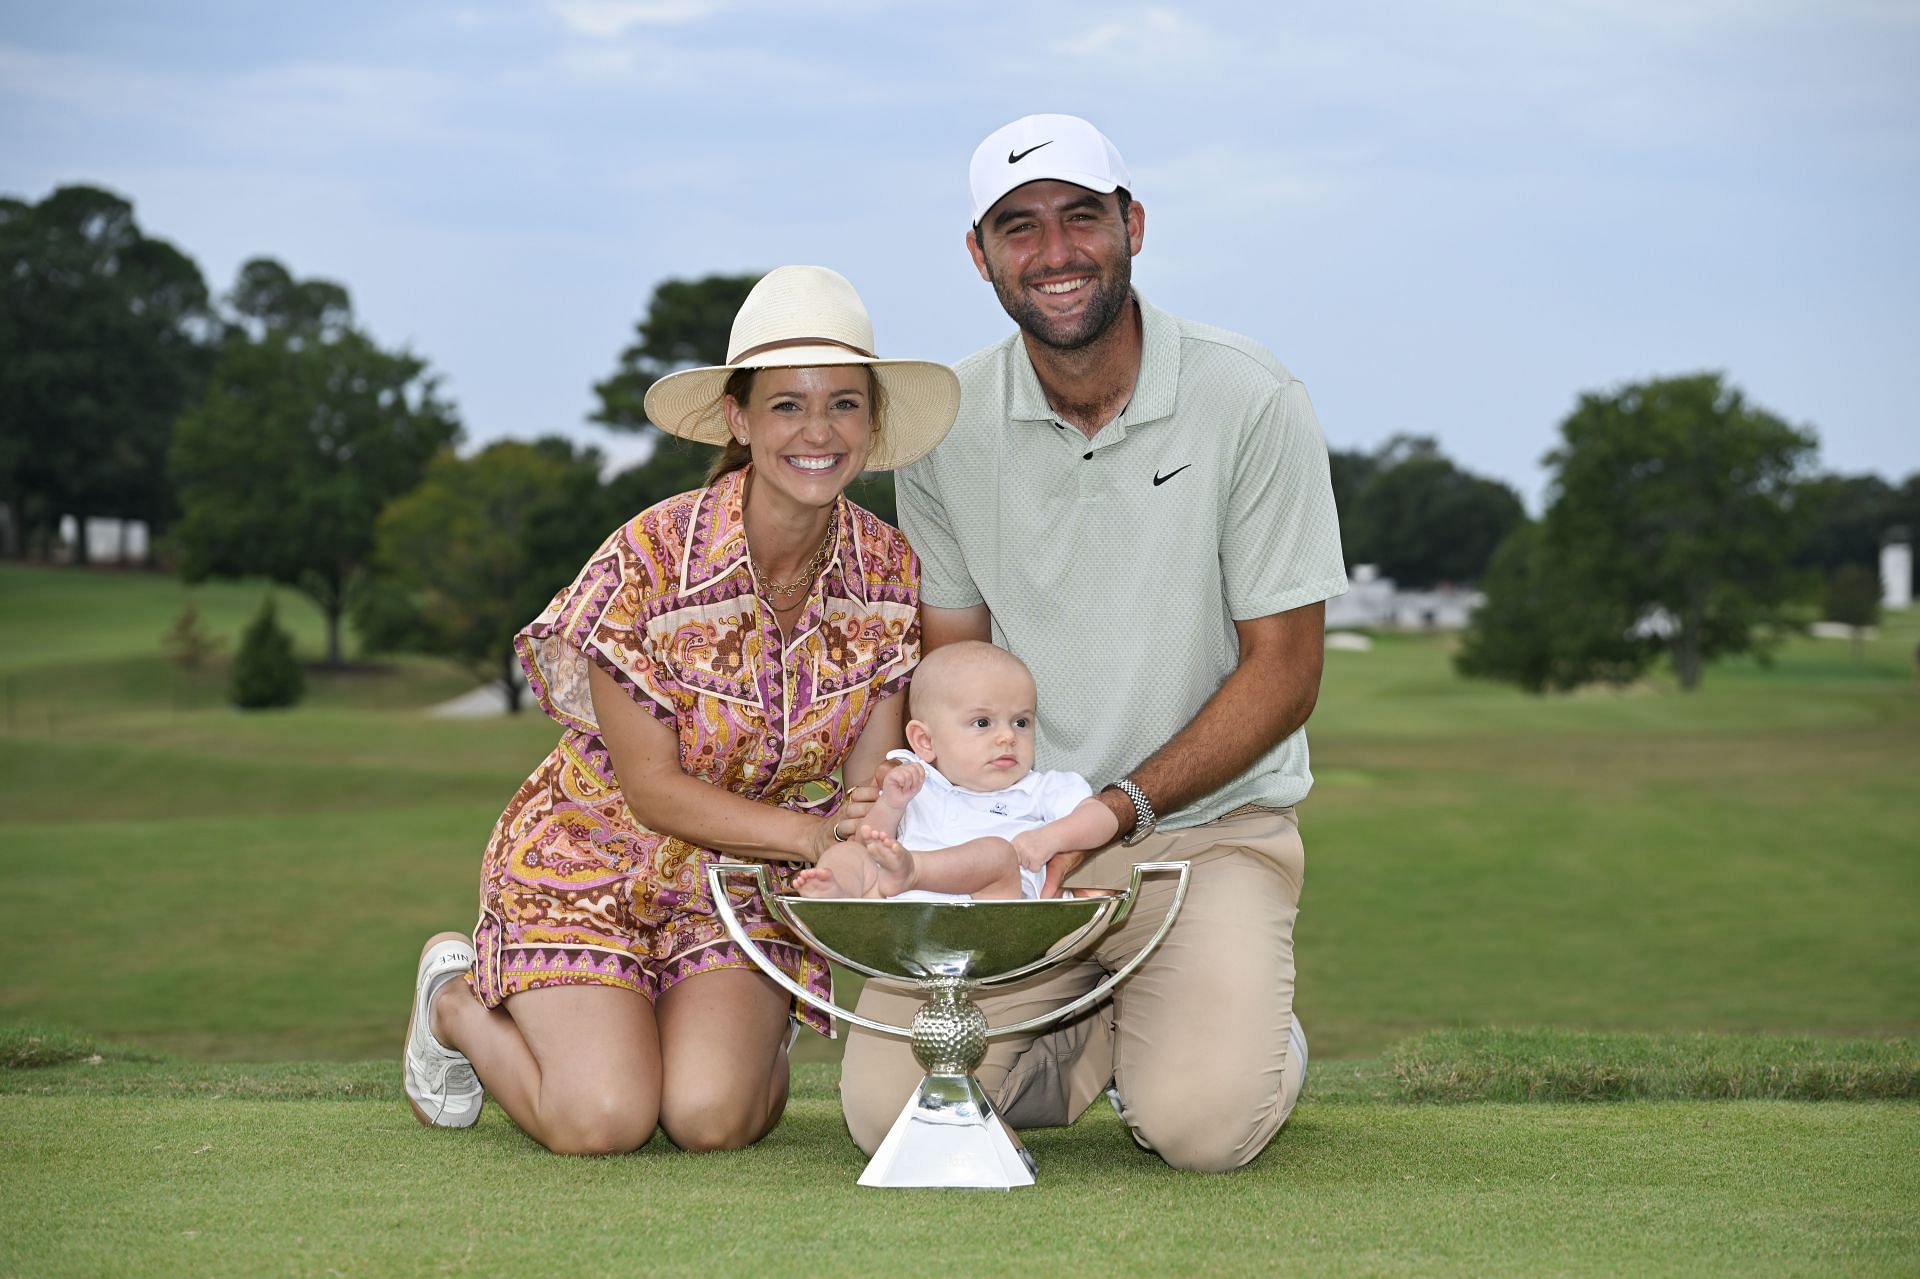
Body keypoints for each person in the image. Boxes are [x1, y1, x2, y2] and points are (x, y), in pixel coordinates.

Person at [839, 115, 1349, 1173]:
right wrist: (895, 811)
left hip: (1204, 838)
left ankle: (1224, 1043)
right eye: (1018, 228)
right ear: (980, 255)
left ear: (1135, 226)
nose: (1056, 252)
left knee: (1203, 1130)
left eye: (1083, 217)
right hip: (1007, 850)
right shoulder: (944, 423)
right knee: (892, 1117)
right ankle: (1104, 1027)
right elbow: (949, 671)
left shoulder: (1249, 397)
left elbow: (1287, 671)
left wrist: (1108, 814)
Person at [403, 265, 960, 1156]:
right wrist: (818, 838)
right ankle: (456, 1002)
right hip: (584, 866)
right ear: (739, 418)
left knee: (710, 1117)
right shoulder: (651, 556)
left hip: (740, 886)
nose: (818, 432)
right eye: (787, 405)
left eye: (845, 404)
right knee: (602, 1119)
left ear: (874, 422)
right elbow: (654, 790)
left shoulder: (890, 567)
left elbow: (871, 776)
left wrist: (871, 825)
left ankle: (733, 1013)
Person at [792, 640, 1118, 901]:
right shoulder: (917, 779)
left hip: (990, 908)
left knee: (997, 853)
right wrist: (890, 805)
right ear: (925, 741)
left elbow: (1103, 818)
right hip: (904, 904)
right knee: (851, 854)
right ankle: (835, 891)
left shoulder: (1038, 788)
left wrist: (1048, 838)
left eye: (1021, 722)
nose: (1007, 736)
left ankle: (913, 870)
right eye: (982, 723)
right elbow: (872, 840)